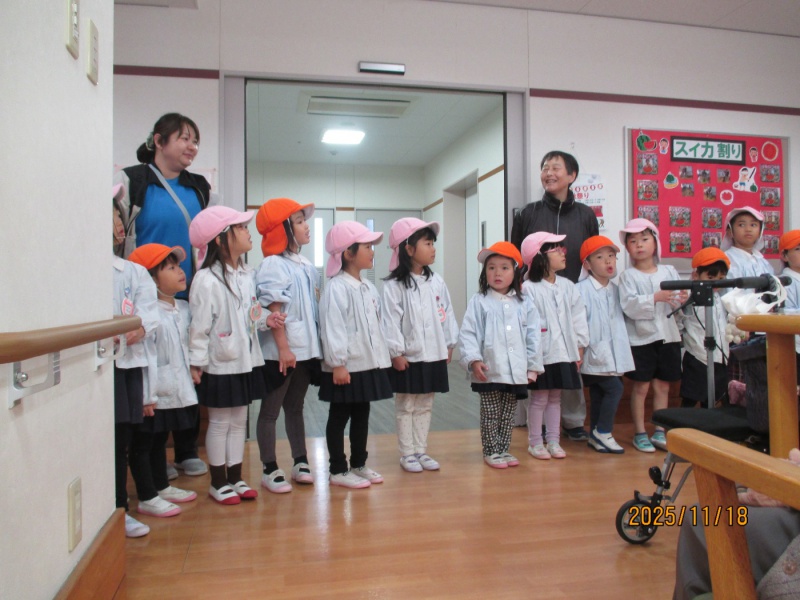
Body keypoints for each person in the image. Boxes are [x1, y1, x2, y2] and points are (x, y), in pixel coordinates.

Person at [114, 112, 215, 479]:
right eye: (184, 138)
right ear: (159, 141)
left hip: (190, 291)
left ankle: (187, 449)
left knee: (190, 367)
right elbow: (120, 235)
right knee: (154, 371)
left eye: (195, 140)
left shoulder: (199, 187)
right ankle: (155, 456)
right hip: (146, 296)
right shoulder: (135, 181)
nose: (192, 146)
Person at [188, 206, 280, 505]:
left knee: (239, 420)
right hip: (219, 362)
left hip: (244, 360)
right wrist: (196, 362)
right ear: (219, 239)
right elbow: (198, 327)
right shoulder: (206, 279)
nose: (247, 231)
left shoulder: (246, 275)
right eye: (240, 227)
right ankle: (218, 482)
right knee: (219, 422)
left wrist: (266, 319)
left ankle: (236, 477)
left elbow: (251, 313)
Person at [510, 150, 598, 441]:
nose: (548, 173)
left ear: (571, 176)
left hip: (571, 295)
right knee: (537, 360)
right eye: (545, 168)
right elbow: (516, 257)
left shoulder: (586, 215)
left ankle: (573, 422)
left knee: (568, 360)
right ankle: (536, 426)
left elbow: (591, 255)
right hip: (536, 296)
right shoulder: (528, 213)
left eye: (555, 168)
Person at [319, 221, 393, 489]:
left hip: (366, 364)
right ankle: (337, 469)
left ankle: (359, 463)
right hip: (346, 366)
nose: (372, 251)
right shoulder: (336, 287)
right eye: (367, 247)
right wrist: (338, 364)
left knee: (362, 414)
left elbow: (376, 327)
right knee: (339, 416)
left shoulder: (368, 288)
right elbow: (332, 328)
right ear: (348, 253)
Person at [381, 217, 458, 473]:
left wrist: (449, 343)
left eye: (433, 243)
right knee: (406, 405)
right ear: (409, 249)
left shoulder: (437, 282)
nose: (433, 249)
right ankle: (407, 453)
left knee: (425, 403)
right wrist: (396, 352)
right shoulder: (394, 286)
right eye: (428, 243)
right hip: (408, 356)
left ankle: (421, 450)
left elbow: (446, 312)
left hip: (433, 353)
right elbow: (390, 321)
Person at [127, 244, 199, 514]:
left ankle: (161, 486)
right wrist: (146, 395)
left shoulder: (184, 308)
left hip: (175, 386)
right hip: (153, 391)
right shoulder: (147, 316)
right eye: (170, 268)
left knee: (160, 438)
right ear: (151, 281)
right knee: (145, 441)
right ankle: (147, 495)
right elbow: (144, 357)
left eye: (178, 266)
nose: (180, 271)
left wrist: (194, 368)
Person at [254, 198, 320, 493]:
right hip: (281, 352)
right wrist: (283, 348)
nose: (306, 226)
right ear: (283, 229)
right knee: (271, 410)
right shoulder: (273, 264)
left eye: (305, 220)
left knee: (295, 406)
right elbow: (275, 309)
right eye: (299, 221)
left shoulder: (306, 265)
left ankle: (300, 460)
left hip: (304, 351)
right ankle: (269, 467)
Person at [458, 242, 542, 469]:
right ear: (485, 272)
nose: (497, 273)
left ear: (514, 272)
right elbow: (468, 332)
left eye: (504, 268)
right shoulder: (479, 301)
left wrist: (533, 367)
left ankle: (503, 449)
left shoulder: (524, 302)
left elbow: (533, 336)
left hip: (516, 370)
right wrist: (474, 360)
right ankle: (490, 450)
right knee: (491, 412)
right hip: (489, 369)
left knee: (508, 413)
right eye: (491, 267)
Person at [112, 184, 159, 537]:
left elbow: (148, 313)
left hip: (126, 364)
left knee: (123, 438)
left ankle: (119, 508)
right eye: (112, 215)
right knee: (107, 440)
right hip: (101, 364)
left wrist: (139, 328)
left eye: (119, 215)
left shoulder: (133, 271)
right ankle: (114, 510)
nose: (118, 222)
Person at [618, 218, 687, 452]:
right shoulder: (628, 276)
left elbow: (679, 302)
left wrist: (683, 298)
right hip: (641, 339)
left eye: (644, 239)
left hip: (668, 336)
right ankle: (639, 432)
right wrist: (654, 298)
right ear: (627, 248)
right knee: (641, 387)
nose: (639, 245)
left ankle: (659, 430)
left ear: (655, 242)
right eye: (633, 241)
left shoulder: (669, 271)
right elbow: (628, 306)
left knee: (663, 387)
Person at [520, 232, 588, 460]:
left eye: (562, 249)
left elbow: (578, 316)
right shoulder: (529, 288)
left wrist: (580, 345)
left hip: (563, 352)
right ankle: (535, 442)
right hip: (541, 354)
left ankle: (554, 441)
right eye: (556, 250)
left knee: (555, 398)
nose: (562, 253)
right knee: (539, 398)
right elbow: (526, 324)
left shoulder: (568, 286)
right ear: (539, 256)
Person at [576, 235, 634, 453]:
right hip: (593, 353)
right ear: (587, 265)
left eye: (611, 256)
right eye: (600, 257)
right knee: (614, 389)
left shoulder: (617, 290)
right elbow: (578, 323)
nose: (608, 261)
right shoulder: (580, 290)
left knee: (600, 393)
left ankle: (595, 434)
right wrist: (580, 348)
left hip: (614, 354)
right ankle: (604, 431)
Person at [680, 247, 731, 409]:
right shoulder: (689, 296)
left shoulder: (721, 298)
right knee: (691, 399)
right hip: (698, 356)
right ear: (696, 275)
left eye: (721, 278)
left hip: (720, 357)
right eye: (710, 277)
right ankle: (683, 424)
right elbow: (680, 320)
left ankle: (708, 425)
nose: (716, 282)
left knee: (713, 399)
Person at [722, 206, 774, 280]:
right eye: (741, 225)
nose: (748, 229)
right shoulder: (726, 260)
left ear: (760, 232)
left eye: (753, 225)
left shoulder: (763, 262)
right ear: (730, 231)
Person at [778, 230, 800, 385]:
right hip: (795, 348)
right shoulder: (785, 282)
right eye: (798, 249)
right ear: (784, 256)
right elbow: (786, 314)